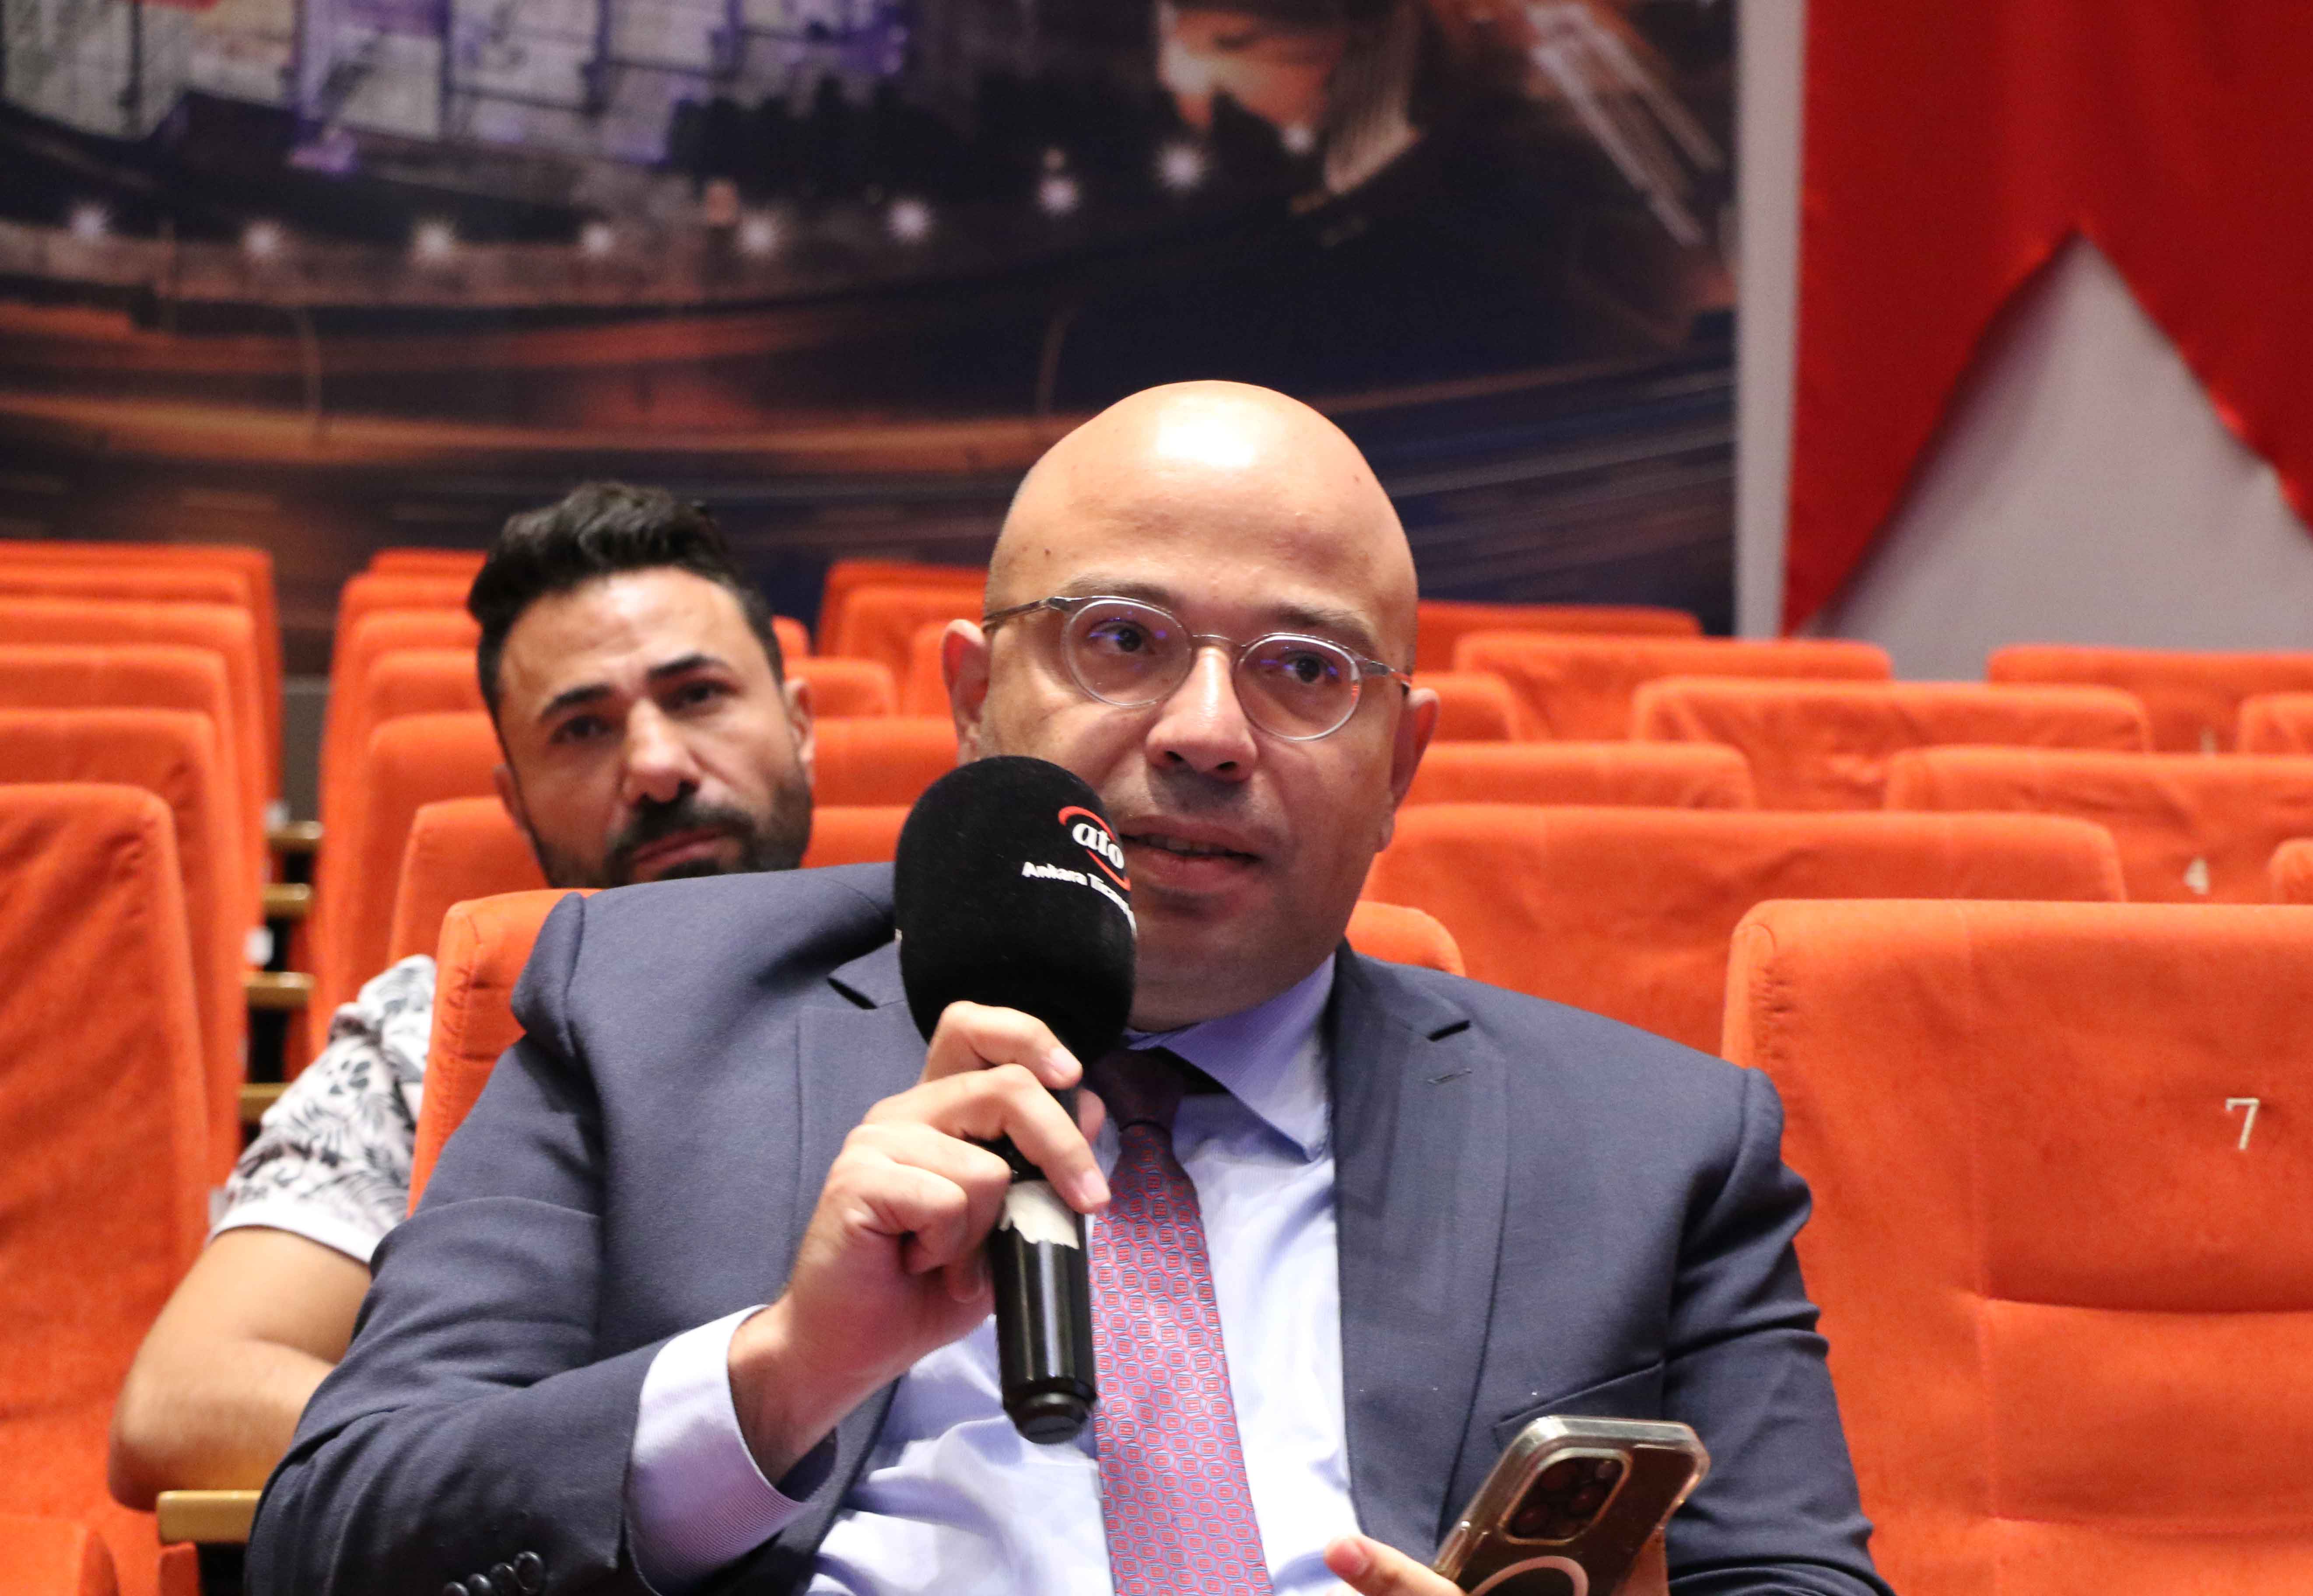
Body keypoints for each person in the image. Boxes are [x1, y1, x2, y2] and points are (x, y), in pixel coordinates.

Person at [249, 383, 1889, 1596]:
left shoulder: (1655, 1147)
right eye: (1121, 639)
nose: (1207, 731)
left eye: (1304, 671)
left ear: (1401, 763)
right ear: (975, 698)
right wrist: (781, 1370)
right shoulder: (649, 1010)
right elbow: (339, 1530)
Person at [107, 483, 819, 1506]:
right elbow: (184, 1401)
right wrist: (611, 1459)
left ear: (799, 725)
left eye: (699, 695)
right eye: (582, 729)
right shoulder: (428, 1031)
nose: (657, 767)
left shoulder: (958, 979)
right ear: (514, 801)